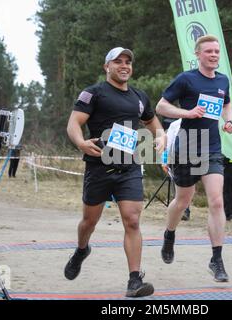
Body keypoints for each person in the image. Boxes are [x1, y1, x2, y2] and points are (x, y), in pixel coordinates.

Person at [65, 47, 165, 298]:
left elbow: (153, 123)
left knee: (132, 220)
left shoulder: (139, 97)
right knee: (89, 221)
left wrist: (161, 137)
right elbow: (74, 123)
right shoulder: (93, 93)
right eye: (118, 61)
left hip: (129, 166)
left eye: (128, 62)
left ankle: (134, 280)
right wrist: (80, 142)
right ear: (106, 66)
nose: (124, 65)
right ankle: (81, 249)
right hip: (99, 166)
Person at [155, 35, 232, 282]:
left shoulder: (223, 80)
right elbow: (161, 107)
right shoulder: (186, 79)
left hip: (211, 147)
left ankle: (217, 259)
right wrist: (186, 113)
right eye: (209, 51)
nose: (214, 55)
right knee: (182, 200)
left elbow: (226, 104)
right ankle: (169, 234)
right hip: (187, 147)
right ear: (198, 54)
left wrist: (228, 120)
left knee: (217, 202)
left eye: (216, 51)